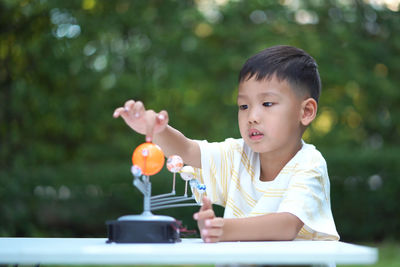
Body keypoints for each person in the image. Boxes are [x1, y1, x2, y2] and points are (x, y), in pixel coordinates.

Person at [113, 45, 340, 243]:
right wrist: (154, 130)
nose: (252, 116)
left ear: (306, 111)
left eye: (267, 103)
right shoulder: (237, 154)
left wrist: (221, 228)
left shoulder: (310, 164)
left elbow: (286, 225)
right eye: (243, 106)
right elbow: (188, 151)